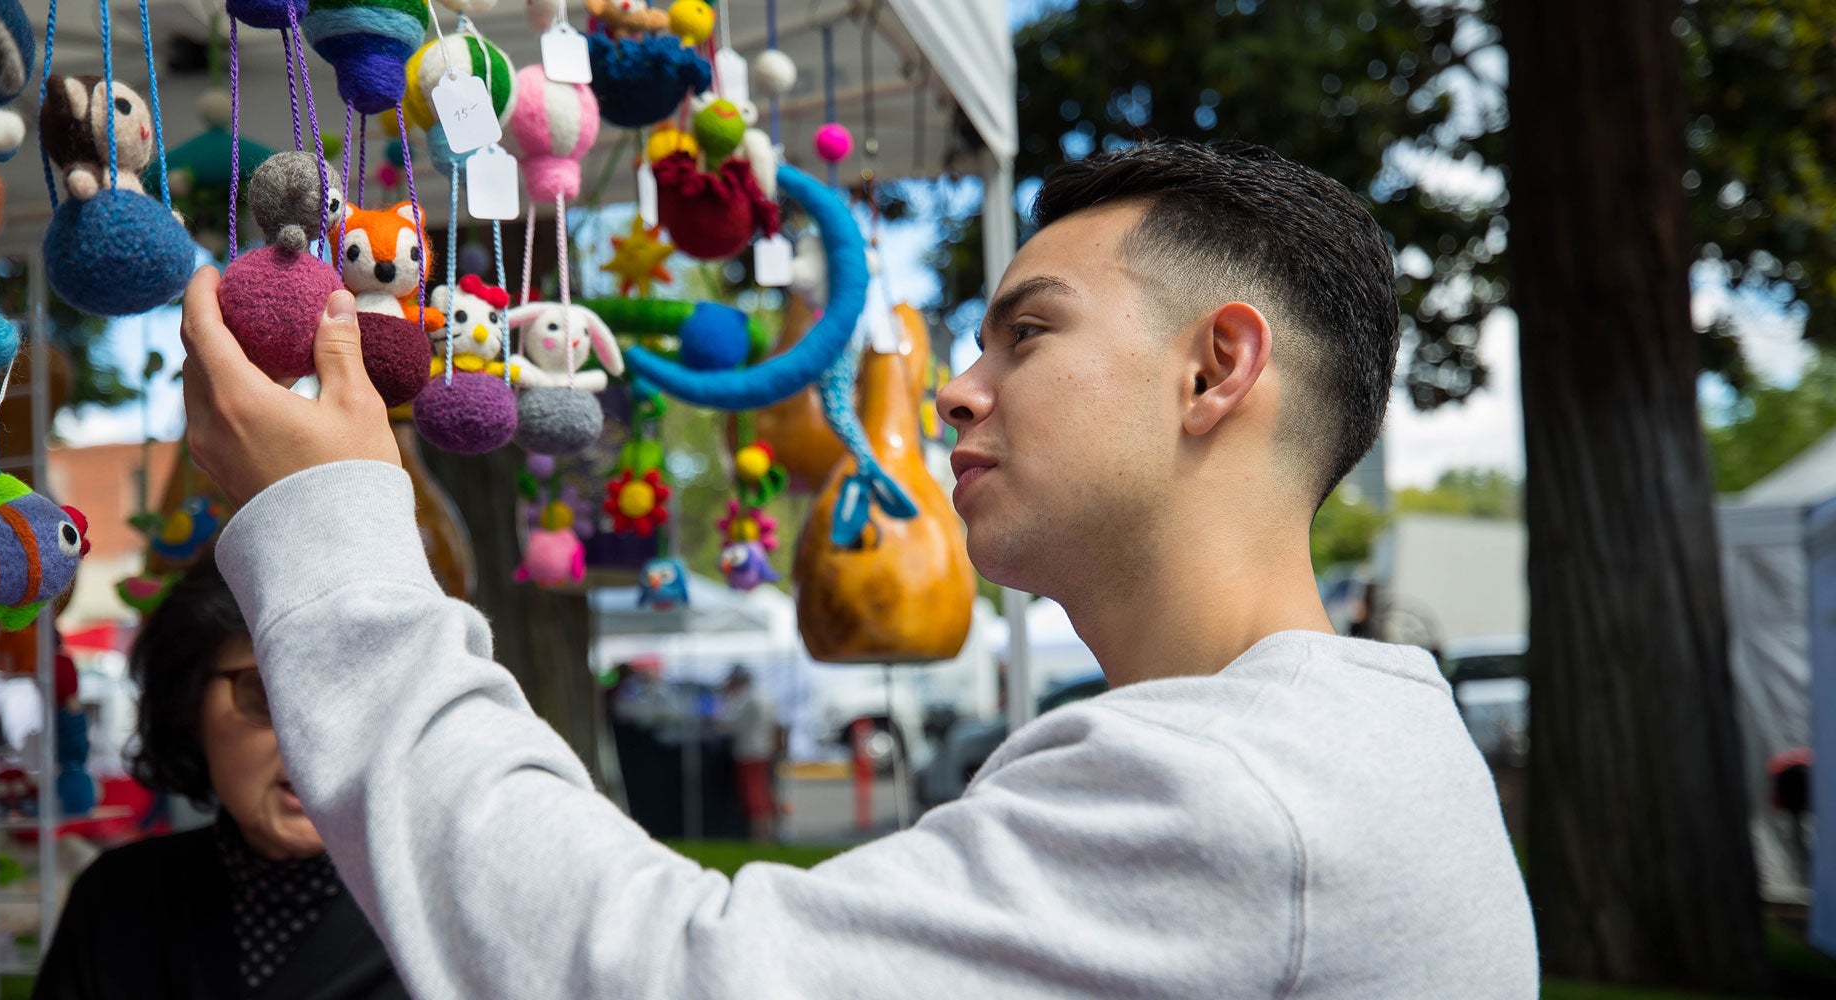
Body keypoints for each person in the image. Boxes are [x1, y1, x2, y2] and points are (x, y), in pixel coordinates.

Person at [177, 138, 1538, 997]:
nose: (955, 392)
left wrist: (330, 527)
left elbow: (666, 980)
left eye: (1027, 335)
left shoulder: (1240, 795)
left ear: (1215, 366)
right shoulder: (1366, 734)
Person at [31, 561, 408, 999]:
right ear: (189, 704)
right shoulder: (117, 902)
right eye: (265, 694)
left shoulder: (442, 910)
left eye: (352, 697)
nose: (314, 735)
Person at [716, 665, 777, 841]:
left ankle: (759, 836)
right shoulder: (763, 697)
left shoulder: (746, 699)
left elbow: (730, 724)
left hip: (749, 752)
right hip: (761, 750)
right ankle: (767, 833)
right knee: (762, 792)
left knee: (754, 795)